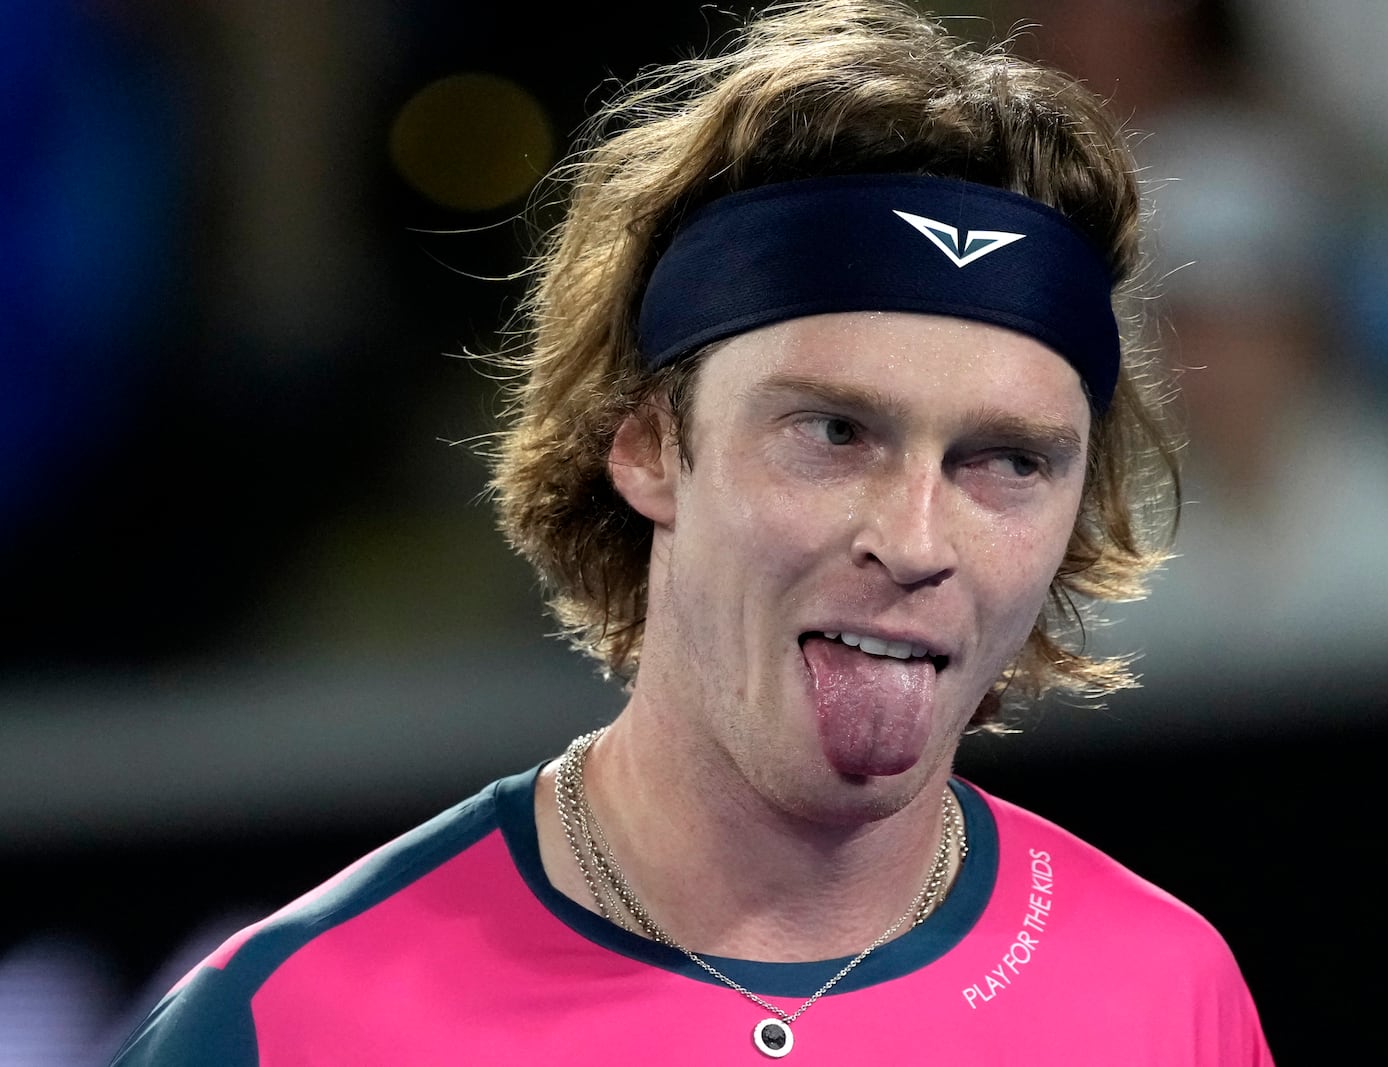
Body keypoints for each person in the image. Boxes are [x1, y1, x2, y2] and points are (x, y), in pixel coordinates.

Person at [111, 1, 1273, 1062]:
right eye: (833, 431)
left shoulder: (1168, 994)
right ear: (650, 443)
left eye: (1007, 460)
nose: (919, 538)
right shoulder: (287, 1022)